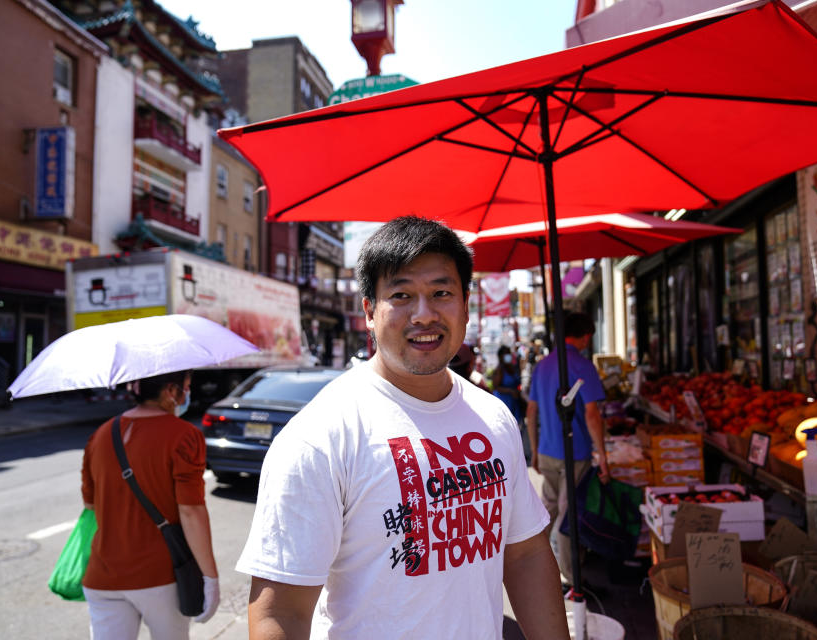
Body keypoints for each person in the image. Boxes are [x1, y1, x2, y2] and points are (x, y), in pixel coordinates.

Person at [237, 216, 569, 639]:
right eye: (402, 295)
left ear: (465, 303)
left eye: (441, 293)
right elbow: (280, 611)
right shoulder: (320, 436)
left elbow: (525, 555)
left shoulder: (494, 416)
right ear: (370, 312)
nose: (424, 314)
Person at [81, 371, 220, 640]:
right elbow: (190, 511)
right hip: (160, 577)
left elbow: (90, 503)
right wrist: (209, 577)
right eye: (186, 388)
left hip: (103, 576)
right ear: (171, 391)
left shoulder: (100, 434)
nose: (187, 394)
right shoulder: (185, 436)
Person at [525, 312, 610, 582]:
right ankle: (572, 578)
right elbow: (592, 414)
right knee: (567, 514)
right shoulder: (583, 366)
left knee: (548, 509)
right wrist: (603, 456)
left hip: (548, 451)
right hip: (575, 452)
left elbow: (531, 411)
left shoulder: (543, 365)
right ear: (585, 336)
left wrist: (535, 451)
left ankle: (528, 562)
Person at [492, 344, 524, 424]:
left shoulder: (512, 367)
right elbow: (496, 387)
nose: (508, 355)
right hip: (505, 403)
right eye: (506, 353)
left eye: (509, 353)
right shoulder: (499, 369)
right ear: (500, 356)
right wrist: (510, 391)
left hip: (514, 403)